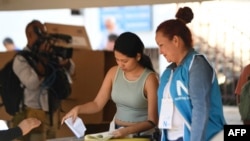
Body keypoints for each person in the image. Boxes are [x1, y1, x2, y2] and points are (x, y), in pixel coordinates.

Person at [61, 32, 159, 138]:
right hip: (116, 131)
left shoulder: (150, 79)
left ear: (138, 56)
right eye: (117, 59)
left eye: (125, 61)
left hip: (141, 136)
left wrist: (127, 131)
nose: (120, 64)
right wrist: (78, 109)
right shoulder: (113, 72)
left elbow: (152, 121)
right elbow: (97, 104)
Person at [155, 7, 226, 141]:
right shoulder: (168, 72)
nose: (160, 51)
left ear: (175, 40)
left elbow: (200, 109)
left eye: (161, 45)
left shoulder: (197, 64)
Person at [12, 20, 75, 141]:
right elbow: (32, 84)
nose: (44, 37)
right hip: (33, 111)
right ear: (29, 35)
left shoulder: (49, 52)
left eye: (44, 33)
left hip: (52, 111)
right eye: (39, 33)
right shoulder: (22, 59)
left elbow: (71, 70)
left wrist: (64, 62)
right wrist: (43, 58)